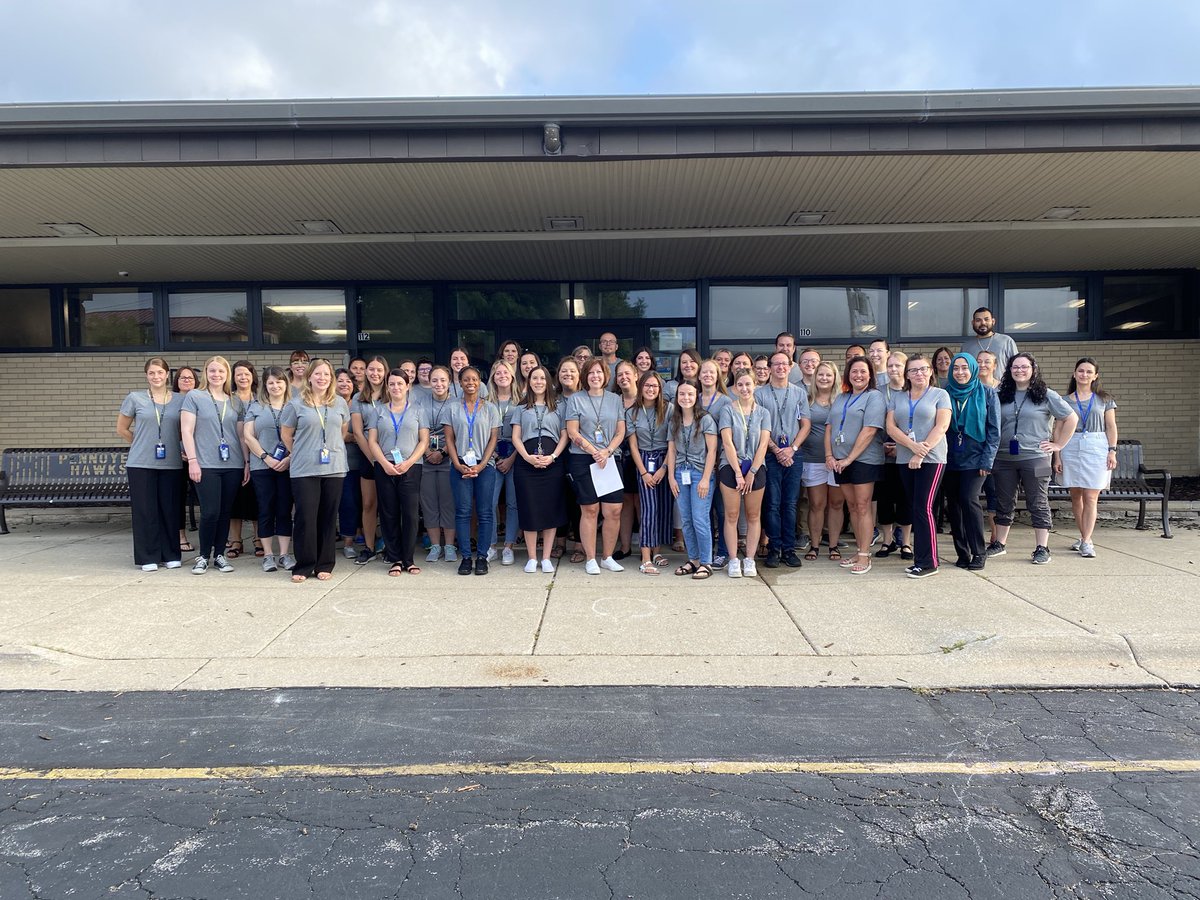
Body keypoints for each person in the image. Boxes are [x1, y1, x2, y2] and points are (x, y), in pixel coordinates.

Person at [988, 353, 1078, 565]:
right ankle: (999, 544)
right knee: (1004, 501)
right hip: (1003, 457)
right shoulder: (999, 393)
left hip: (1036, 458)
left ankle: (1042, 547)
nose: (1019, 370)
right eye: (1015, 367)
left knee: (1038, 501)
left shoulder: (1046, 394)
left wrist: (1058, 445)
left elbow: (1070, 417)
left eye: (1024, 367)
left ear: (1033, 369)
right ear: (1009, 370)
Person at [280, 358, 351, 582]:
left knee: (328, 517)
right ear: (309, 377)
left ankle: (325, 564)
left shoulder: (339, 403)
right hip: (304, 470)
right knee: (305, 517)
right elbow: (286, 434)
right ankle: (304, 565)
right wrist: (302, 451)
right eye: (318, 374)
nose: (322, 378)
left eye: (326, 375)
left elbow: (342, 431)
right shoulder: (296, 403)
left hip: (334, 468)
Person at [885, 354, 951, 578]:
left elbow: (941, 426)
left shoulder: (940, 395)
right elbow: (891, 428)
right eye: (913, 370)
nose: (918, 373)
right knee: (915, 508)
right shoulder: (899, 397)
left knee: (924, 508)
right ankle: (919, 559)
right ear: (907, 374)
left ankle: (929, 562)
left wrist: (922, 452)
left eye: (923, 369)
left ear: (930, 371)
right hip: (905, 458)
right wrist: (912, 448)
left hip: (932, 459)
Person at [180, 356, 247, 574]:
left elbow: (241, 435)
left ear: (227, 375)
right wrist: (193, 461)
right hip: (205, 463)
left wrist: (246, 462)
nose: (216, 375)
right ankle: (203, 556)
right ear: (206, 373)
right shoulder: (195, 396)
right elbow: (187, 431)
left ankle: (219, 555)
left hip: (233, 464)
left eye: (221, 371)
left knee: (225, 512)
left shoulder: (235, 400)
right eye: (212, 371)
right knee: (210, 512)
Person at [117, 357, 184, 571]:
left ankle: (171, 553)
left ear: (167, 375)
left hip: (172, 463)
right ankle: (148, 557)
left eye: (160, 372)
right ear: (146, 376)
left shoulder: (180, 400)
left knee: (169, 509)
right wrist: (141, 444)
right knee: (145, 511)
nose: (156, 376)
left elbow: (185, 430)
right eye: (152, 373)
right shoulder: (135, 398)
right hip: (141, 464)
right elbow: (122, 429)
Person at [564, 357, 627, 574]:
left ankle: (607, 557)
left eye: (599, 372)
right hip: (583, 458)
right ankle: (591, 558)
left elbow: (621, 431)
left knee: (613, 510)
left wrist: (606, 451)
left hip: (609, 458)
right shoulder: (575, 400)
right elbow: (572, 431)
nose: (595, 376)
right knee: (590, 509)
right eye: (591, 373)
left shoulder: (615, 399)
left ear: (605, 375)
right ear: (585, 376)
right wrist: (594, 452)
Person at [825, 356, 886, 576]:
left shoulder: (874, 397)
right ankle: (859, 550)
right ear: (847, 375)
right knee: (851, 507)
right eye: (854, 371)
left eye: (862, 371)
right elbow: (830, 427)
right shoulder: (841, 397)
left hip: (863, 460)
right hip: (840, 460)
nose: (858, 375)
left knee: (862, 506)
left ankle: (864, 553)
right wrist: (829, 455)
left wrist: (849, 459)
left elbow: (869, 430)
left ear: (870, 374)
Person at [368, 368, 429, 576]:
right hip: (385, 467)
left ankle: (408, 559)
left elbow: (424, 441)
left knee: (411, 514)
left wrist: (409, 462)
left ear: (407, 386)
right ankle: (394, 558)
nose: (396, 387)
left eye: (400, 384)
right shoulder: (378, 411)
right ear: (387, 387)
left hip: (411, 468)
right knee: (389, 512)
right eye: (392, 384)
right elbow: (372, 441)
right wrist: (384, 463)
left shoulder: (418, 410)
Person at [1056, 358, 1118, 559]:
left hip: (1096, 445)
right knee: (1076, 495)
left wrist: (1112, 450)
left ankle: (1087, 541)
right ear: (1074, 374)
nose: (1084, 375)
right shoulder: (1064, 401)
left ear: (1095, 376)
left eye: (1089, 371)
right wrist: (1056, 455)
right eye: (1080, 371)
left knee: (1091, 495)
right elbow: (1057, 428)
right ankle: (1084, 537)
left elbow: (1111, 426)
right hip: (1071, 445)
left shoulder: (1104, 399)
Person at [944, 353, 1000, 570]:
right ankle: (962, 552)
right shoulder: (944, 393)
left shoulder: (986, 393)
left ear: (973, 369)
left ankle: (979, 551)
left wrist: (987, 460)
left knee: (969, 500)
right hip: (949, 458)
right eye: (956, 368)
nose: (960, 372)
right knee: (954, 506)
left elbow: (994, 430)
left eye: (965, 368)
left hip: (976, 458)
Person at [443, 365, 501, 575]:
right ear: (460, 382)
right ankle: (466, 557)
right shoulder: (452, 407)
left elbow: (494, 438)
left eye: (474, 379)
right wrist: (457, 463)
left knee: (485, 512)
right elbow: (449, 438)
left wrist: (482, 464)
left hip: (484, 465)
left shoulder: (490, 408)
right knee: (463, 512)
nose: (470, 383)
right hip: (459, 465)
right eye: (466, 379)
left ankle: (483, 557)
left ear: (480, 383)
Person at [756, 350, 811, 569]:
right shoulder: (760, 394)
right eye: (775, 364)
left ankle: (788, 549)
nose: (780, 368)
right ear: (769, 368)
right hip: (769, 455)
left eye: (784, 364)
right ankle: (773, 548)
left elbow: (805, 424)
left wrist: (792, 448)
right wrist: (777, 450)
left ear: (790, 367)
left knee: (790, 504)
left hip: (794, 456)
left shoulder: (799, 393)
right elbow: (760, 427)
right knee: (772, 504)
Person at [511, 365, 568, 574]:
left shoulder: (559, 406)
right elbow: (516, 436)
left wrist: (553, 456)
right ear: (529, 381)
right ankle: (532, 557)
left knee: (550, 509)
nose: (538, 382)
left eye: (542, 378)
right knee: (530, 509)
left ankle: (546, 557)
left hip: (552, 462)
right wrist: (526, 457)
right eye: (535, 378)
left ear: (549, 382)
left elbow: (564, 435)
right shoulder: (520, 408)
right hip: (527, 463)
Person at [718, 367, 771, 578]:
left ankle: (749, 559)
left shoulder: (763, 413)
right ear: (735, 387)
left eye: (748, 384)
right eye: (740, 384)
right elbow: (727, 442)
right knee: (731, 515)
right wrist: (739, 474)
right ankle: (733, 559)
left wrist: (752, 472)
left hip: (756, 468)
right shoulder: (727, 410)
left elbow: (764, 444)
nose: (744, 388)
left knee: (753, 515)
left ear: (755, 385)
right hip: (731, 468)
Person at [242, 365, 295, 573]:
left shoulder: (294, 406)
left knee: (284, 509)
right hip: (261, 467)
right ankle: (268, 555)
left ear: (285, 383)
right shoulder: (256, 407)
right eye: (271, 382)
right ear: (265, 385)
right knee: (265, 509)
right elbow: (248, 436)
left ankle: (284, 554)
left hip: (288, 466)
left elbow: (300, 436)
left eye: (279, 381)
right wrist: (266, 457)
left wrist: (289, 458)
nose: (275, 386)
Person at [666, 381, 718, 579]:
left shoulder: (705, 420)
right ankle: (693, 559)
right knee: (686, 520)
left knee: (700, 518)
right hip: (680, 473)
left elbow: (712, 450)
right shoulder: (674, 420)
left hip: (700, 473)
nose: (685, 398)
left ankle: (706, 561)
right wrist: (671, 476)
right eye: (681, 394)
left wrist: (705, 478)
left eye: (689, 394)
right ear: (677, 397)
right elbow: (671, 450)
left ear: (696, 396)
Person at [627, 370, 674, 575]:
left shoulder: (669, 409)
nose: (651, 389)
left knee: (663, 508)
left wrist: (664, 468)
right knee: (648, 509)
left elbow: (673, 442)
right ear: (640, 388)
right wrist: (644, 472)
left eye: (655, 386)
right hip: (644, 461)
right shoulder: (632, 412)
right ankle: (645, 558)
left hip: (665, 459)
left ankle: (657, 552)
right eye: (647, 386)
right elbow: (633, 446)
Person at [800, 361, 846, 561]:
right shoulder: (806, 400)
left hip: (837, 460)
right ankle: (815, 545)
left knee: (836, 504)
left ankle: (833, 545)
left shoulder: (843, 400)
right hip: (813, 459)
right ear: (815, 378)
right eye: (820, 375)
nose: (824, 378)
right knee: (816, 504)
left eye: (828, 375)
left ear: (835, 377)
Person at [874, 351, 913, 562]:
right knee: (885, 500)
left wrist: (902, 447)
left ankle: (905, 542)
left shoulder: (913, 391)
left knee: (906, 498)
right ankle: (887, 540)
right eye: (890, 366)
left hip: (906, 455)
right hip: (882, 454)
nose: (893, 370)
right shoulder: (879, 392)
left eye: (898, 366)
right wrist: (881, 446)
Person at [350, 356, 388, 563]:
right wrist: (373, 457)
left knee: (391, 503)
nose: (375, 373)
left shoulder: (392, 393)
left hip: (391, 454)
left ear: (385, 372)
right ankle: (369, 546)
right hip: (368, 456)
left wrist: (383, 458)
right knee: (369, 503)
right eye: (371, 370)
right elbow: (356, 432)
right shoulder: (358, 398)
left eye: (379, 370)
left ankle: (391, 546)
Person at [419, 365, 457, 563]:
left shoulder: (456, 404)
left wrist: (442, 452)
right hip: (425, 459)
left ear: (449, 381)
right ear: (429, 382)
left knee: (448, 503)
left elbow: (459, 435)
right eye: (435, 380)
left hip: (448, 460)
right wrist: (426, 452)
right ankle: (435, 546)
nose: (439, 384)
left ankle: (449, 546)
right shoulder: (420, 403)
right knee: (429, 503)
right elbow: (418, 430)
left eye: (443, 380)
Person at [487, 360, 522, 565]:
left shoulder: (521, 401)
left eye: (505, 372)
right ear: (493, 376)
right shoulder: (486, 401)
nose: (502, 376)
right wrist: (494, 457)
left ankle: (508, 546)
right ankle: (491, 545)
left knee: (513, 503)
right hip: (492, 454)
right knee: (489, 502)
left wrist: (511, 458)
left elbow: (525, 433)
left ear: (512, 375)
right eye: (498, 373)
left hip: (514, 454)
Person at [225, 360, 260, 560]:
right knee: (234, 500)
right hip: (233, 455)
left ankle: (257, 539)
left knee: (257, 499)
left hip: (257, 456)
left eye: (246, 374)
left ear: (252, 376)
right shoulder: (227, 400)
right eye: (238, 374)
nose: (243, 378)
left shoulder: (260, 399)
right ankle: (236, 540)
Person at [554, 356, 584, 563]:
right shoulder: (552, 399)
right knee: (558, 499)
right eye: (564, 371)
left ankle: (580, 545)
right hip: (556, 454)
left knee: (579, 501)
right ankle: (560, 541)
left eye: (572, 371)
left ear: (579, 374)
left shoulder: (585, 397)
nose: (568, 374)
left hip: (579, 454)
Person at [613, 360, 642, 560]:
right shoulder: (613, 401)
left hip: (642, 457)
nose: (624, 378)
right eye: (620, 375)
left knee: (641, 501)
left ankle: (645, 548)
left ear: (636, 375)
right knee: (624, 502)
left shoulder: (646, 398)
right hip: (619, 457)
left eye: (627, 374)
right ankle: (625, 546)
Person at [334, 368, 363, 559]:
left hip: (355, 463)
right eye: (340, 380)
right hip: (332, 464)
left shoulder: (359, 404)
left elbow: (365, 432)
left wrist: (351, 437)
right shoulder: (329, 404)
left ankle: (348, 543)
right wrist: (350, 436)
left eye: (348, 381)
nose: (345, 384)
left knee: (350, 504)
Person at [171, 365, 200, 555]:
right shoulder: (171, 401)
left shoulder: (202, 399)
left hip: (201, 457)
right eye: (182, 377)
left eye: (190, 377)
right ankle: (180, 536)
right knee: (178, 498)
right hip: (177, 458)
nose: (187, 380)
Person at [961, 306, 1018, 375]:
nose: (983, 323)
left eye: (986, 319)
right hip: (975, 386)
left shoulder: (1006, 341)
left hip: (1001, 385)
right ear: (973, 323)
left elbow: (1016, 366)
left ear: (993, 321)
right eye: (978, 320)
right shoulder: (966, 346)